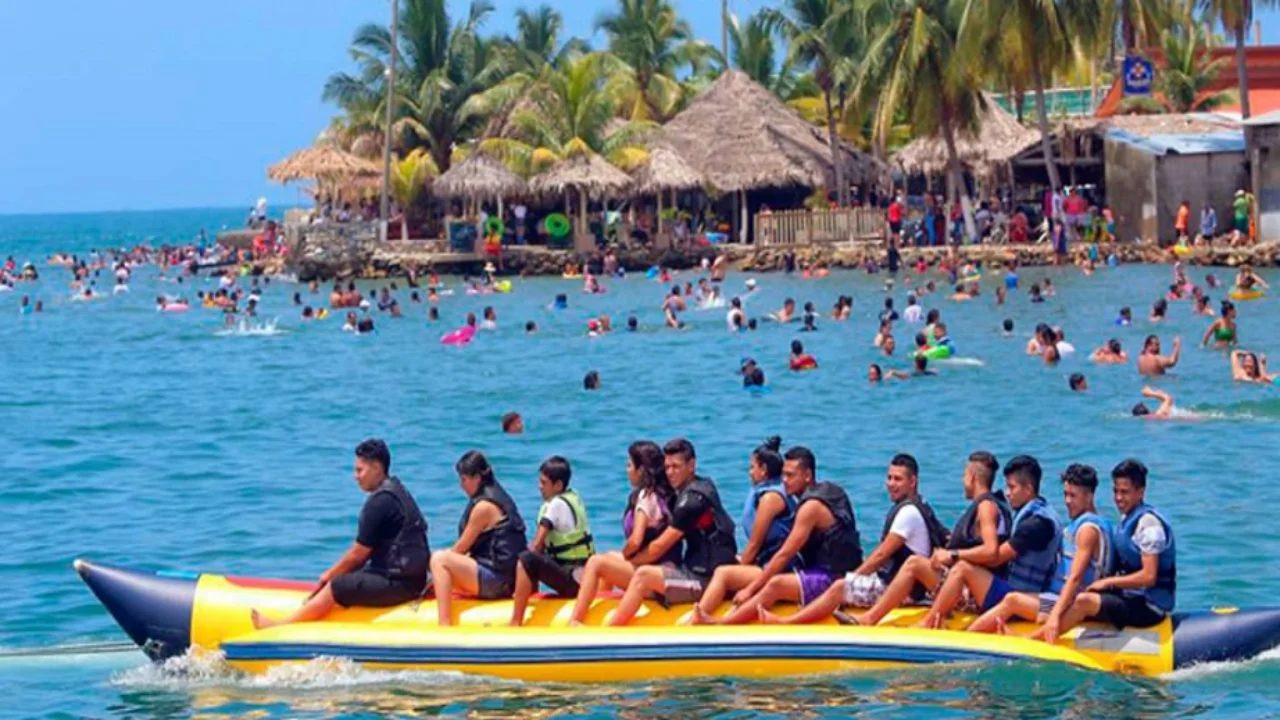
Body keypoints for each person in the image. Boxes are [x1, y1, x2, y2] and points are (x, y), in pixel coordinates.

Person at [251, 440, 429, 628]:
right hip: (412, 580)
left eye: (360, 470)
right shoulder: (397, 490)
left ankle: (283, 626)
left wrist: (328, 576)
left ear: (377, 468)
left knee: (338, 585)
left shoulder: (380, 502)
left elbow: (358, 553)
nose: (355, 477)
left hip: (398, 584)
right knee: (348, 578)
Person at [762, 454, 948, 625]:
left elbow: (881, 555)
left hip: (904, 591)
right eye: (889, 478)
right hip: (906, 584)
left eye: (898, 479)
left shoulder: (908, 513)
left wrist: (854, 578)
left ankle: (788, 623)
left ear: (913, 481)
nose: (891, 484)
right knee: (844, 584)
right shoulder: (920, 505)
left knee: (840, 586)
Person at [835, 451, 1010, 627]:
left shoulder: (986, 507)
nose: (963, 481)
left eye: (964, 475)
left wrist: (953, 555)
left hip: (969, 592)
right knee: (917, 563)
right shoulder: (990, 505)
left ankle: (870, 619)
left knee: (914, 564)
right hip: (967, 585)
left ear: (971, 477)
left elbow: (990, 550)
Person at [695, 445, 862, 625]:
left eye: (790, 475)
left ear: (807, 476)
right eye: (783, 474)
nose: (784, 480)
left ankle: (722, 623)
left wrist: (751, 589)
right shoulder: (828, 493)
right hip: (829, 571)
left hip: (830, 578)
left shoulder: (810, 507)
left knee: (776, 584)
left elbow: (786, 553)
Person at [968, 464, 1113, 639]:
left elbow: (1075, 578)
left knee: (1012, 600)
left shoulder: (1087, 530)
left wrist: (1055, 616)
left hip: (1064, 604)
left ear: (1089, 496)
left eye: (1073, 496)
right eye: (1066, 494)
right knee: (1015, 597)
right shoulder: (1096, 523)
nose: (1067, 501)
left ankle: (967, 640)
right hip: (1055, 599)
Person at [915, 455, 1061, 629]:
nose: (1007, 492)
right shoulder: (1039, 512)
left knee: (962, 568)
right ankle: (941, 614)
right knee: (961, 567)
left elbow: (995, 556)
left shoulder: (1037, 524)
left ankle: (929, 622)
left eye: (1012, 487)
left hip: (1020, 598)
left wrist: (953, 555)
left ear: (1028, 489)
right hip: (1016, 591)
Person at [1031, 460, 1176, 634]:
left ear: (1140, 492)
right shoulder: (1127, 519)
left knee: (1083, 601)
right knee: (1077, 598)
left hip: (1150, 607)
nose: (1118, 498)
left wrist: (1108, 582)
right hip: (1130, 597)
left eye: (1125, 492)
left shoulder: (1149, 524)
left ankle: (1039, 638)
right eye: (1116, 491)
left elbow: (1149, 576)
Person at [608, 439, 738, 625]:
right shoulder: (704, 486)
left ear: (691, 465)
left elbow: (659, 547)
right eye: (667, 467)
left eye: (676, 467)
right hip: (701, 569)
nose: (670, 473)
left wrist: (630, 561)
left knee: (643, 575)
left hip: (702, 580)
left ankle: (611, 631)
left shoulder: (691, 502)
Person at [687, 438, 797, 623]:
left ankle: (697, 620)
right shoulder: (773, 491)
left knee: (723, 573)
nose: (750, 472)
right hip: (768, 562)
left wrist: (740, 571)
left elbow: (754, 544)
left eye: (752, 467)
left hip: (779, 569)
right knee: (728, 561)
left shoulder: (770, 499)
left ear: (764, 470)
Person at [566, 442, 676, 626]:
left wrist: (626, 556)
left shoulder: (646, 498)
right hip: (664, 570)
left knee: (596, 562)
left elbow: (635, 541)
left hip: (652, 578)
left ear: (641, 470)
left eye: (629, 465)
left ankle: (576, 620)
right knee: (609, 556)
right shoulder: (665, 494)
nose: (627, 470)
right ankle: (601, 604)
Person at [430, 451, 528, 626]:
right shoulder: (497, 496)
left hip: (496, 581)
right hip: (505, 578)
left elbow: (460, 549)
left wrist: (432, 572)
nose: (461, 485)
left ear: (477, 478)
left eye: (464, 479)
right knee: (444, 563)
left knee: (439, 560)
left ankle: (444, 624)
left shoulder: (483, 507)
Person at [509, 456, 596, 626]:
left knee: (527, 559)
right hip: (583, 578)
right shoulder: (573, 497)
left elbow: (537, 545)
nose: (539, 487)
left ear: (558, 485)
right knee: (533, 559)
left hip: (573, 581)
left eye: (544, 483)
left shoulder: (555, 505)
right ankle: (529, 600)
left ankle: (516, 621)